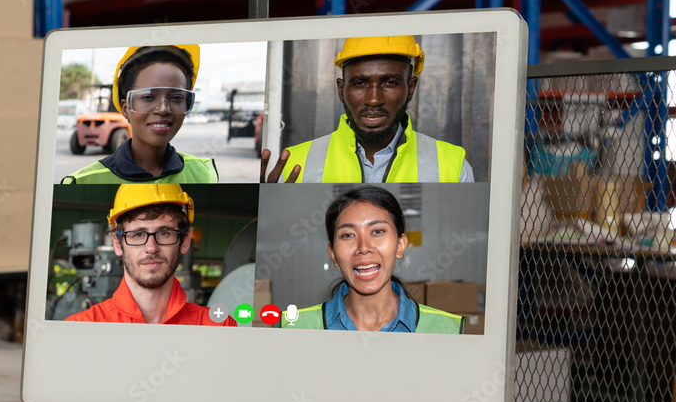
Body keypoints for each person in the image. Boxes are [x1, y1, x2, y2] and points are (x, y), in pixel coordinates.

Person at [260, 36, 474, 184]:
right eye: (360, 83)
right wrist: (266, 209)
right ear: (341, 90)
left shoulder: (452, 166)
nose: (373, 100)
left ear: (410, 89)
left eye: (389, 83)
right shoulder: (292, 165)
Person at [280, 186, 463, 333]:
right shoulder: (295, 326)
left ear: (400, 245)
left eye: (377, 231)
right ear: (333, 254)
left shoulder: (447, 328)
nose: (364, 247)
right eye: (348, 235)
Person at [66, 183, 235, 326]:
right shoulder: (80, 328)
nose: (151, 248)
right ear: (117, 244)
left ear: (184, 241)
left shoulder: (218, 326)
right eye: (138, 234)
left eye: (164, 233)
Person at [62, 45, 219, 184]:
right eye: (148, 97)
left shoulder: (203, 173)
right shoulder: (83, 181)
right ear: (125, 108)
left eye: (176, 97)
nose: (163, 109)